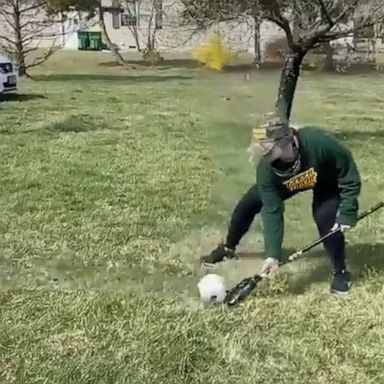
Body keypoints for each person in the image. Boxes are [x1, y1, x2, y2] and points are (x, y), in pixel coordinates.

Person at [201, 111, 361, 295]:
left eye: (266, 149)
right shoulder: (266, 170)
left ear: (285, 140)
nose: (262, 154)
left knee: (325, 218)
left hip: (325, 179)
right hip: (286, 183)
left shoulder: (319, 142)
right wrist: (272, 255)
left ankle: (340, 272)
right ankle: (228, 247)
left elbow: (347, 171)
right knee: (247, 204)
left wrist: (348, 211)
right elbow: (272, 210)